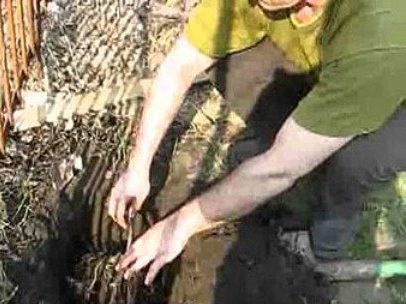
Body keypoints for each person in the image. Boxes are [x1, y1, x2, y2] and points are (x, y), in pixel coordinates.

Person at [108, 0, 406, 286]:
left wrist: (181, 225)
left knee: (356, 160)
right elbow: (181, 65)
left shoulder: (379, 31)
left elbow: (278, 170)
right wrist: (137, 167)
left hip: (394, 96)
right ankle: (299, 143)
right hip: (340, 68)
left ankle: (325, 246)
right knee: (229, 59)